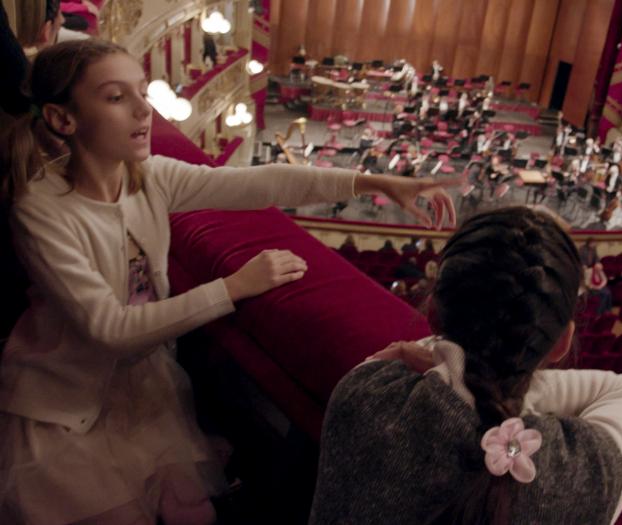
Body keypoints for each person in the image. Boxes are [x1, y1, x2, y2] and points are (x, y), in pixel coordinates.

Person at [0, 39, 457, 524]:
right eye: (116, 97)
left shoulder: (146, 175)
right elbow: (109, 328)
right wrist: (234, 286)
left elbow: (259, 183)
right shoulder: (40, 209)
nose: (144, 110)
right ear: (62, 119)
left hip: (140, 381)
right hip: (65, 397)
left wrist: (370, 182)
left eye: (143, 91)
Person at [310, 207, 622, 524]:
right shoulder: (589, 470)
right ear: (562, 343)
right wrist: (620, 470)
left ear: (433, 313)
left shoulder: (365, 393)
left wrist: (447, 365)